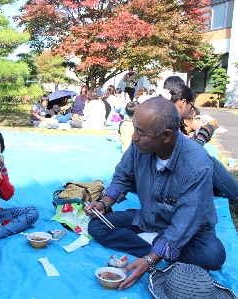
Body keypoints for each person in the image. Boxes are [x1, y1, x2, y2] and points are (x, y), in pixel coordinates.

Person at [85, 97, 226, 291]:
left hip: (191, 232)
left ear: (166, 135)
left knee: (212, 255)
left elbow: (186, 220)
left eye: (141, 133)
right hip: (150, 219)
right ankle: (160, 247)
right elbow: (123, 177)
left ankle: (157, 247)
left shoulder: (197, 164)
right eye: (135, 128)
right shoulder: (139, 146)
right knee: (97, 226)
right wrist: (105, 203)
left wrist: (149, 261)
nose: (134, 137)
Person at [167, 82, 238, 203]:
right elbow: (193, 152)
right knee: (209, 162)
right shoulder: (170, 123)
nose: (192, 109)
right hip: (168, 179)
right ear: (183, 103)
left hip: (167, 174)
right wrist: (206, 131)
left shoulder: (166, 119)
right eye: (191, 105)